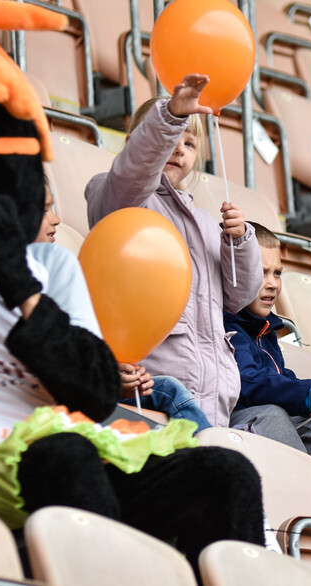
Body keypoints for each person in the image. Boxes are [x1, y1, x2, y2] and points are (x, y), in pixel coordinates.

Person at [85, 74, 263, 428]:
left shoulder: (206, 222)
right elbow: (132, 173)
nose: (179, 148)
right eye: (171, 137)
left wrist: (240, 241)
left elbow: (240, 296)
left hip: (213, 395)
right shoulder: (118, 194)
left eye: (190, 143)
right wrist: (171, 116)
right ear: (139, 142)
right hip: (153, 388)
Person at [39, 177, 212, 432]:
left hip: (88, 389)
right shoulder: (12, 289)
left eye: (53, 208)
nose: (56, 219)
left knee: (168, 390)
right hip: (59, 406)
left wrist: (117, 374)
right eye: (43, 209)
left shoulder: (57, 275)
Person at [224, 222, 311, 519]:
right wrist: (307, 395)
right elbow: (248, 383)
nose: (272, 283)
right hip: (238, 423)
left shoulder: (265, 328)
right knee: (274, 414)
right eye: (260, 272)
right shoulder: (228, 328)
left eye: (277, 272)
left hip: (263, 419)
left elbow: (278, 378)